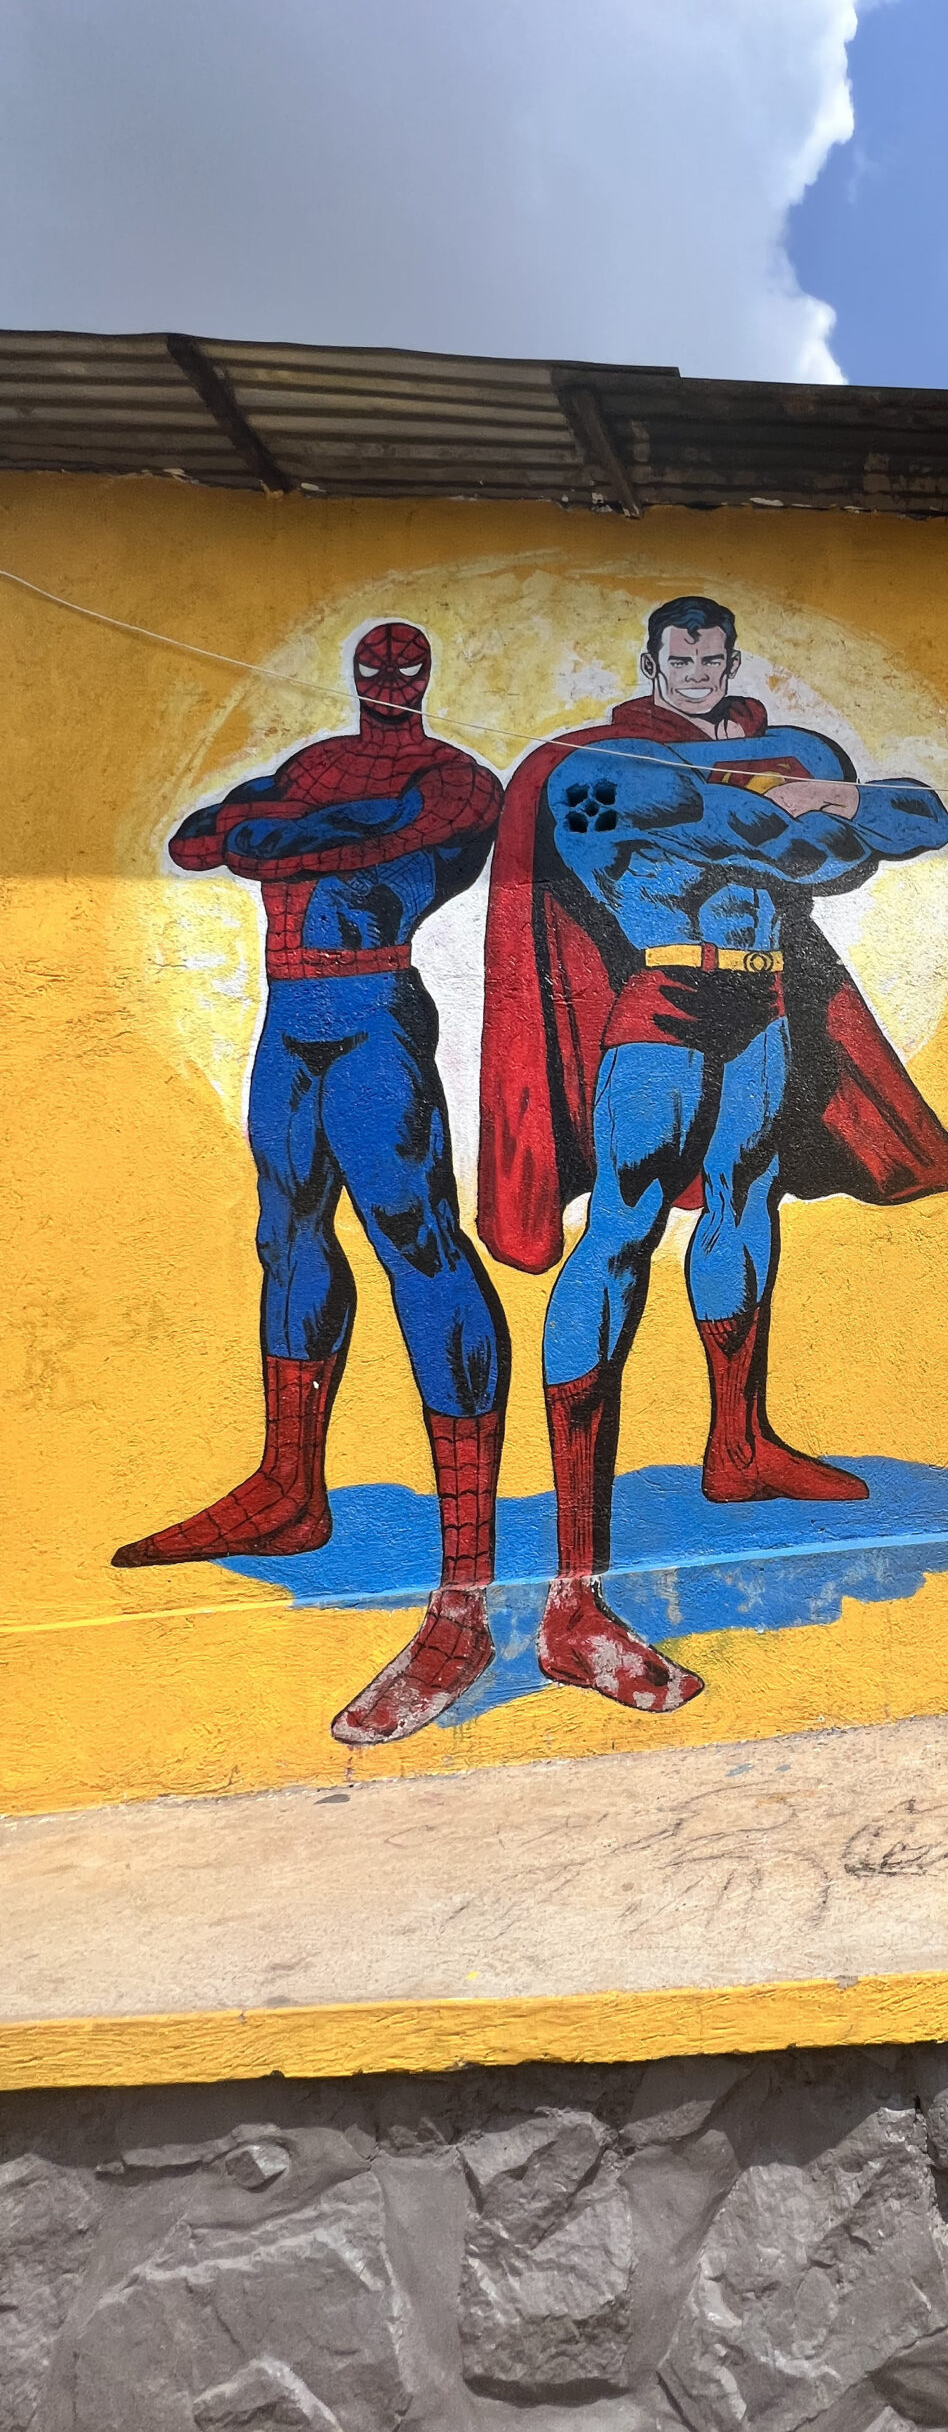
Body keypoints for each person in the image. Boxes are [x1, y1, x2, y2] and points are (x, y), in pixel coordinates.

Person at [477, 594, 948, 1714]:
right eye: (680, 656)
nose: (699, 670)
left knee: (751, 1200)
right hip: (658, 1006)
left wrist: (837, 798)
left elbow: (917, 820)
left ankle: (739, 1447)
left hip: (763, 1009)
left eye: (714, 655)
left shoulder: (790, 756)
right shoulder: (586, 767)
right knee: (620, 1230)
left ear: (732, 658)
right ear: (649, 662)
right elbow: (802, 848)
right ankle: (574, 1580)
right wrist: (810, 809)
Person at [113, 623, 513, 1746]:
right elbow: (202, 843)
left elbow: (342, 834)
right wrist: (302, 831)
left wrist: (274, 836)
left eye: (405, 669)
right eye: (376, 669)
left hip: (374, 1013)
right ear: (358, 676)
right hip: (292, 1020)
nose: (389, 682)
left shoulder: (454, 779)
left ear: (427, 677)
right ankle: (291, 1490)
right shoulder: (310, 770)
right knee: (285, 1235)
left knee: (418, 1245)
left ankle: (463, 1593)